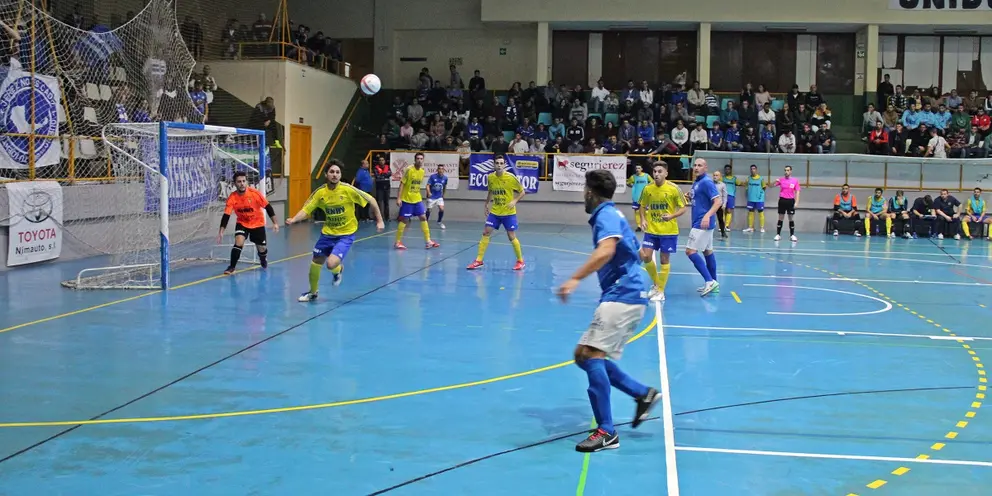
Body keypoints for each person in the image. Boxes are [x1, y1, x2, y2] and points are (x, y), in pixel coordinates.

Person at [556, 168, 661, 453]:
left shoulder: (605, 216)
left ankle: (607, 431)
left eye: (584, 191)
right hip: (626, 291)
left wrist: (575, 278)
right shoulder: (614, 215)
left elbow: (606, 251)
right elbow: (637, 253)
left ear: (590, 192)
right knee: (583, 355)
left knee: (591, 355)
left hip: (624, 293)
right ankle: (643, 394)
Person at [286, 160, 384, 302]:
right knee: (316, 261)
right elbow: (306, 209)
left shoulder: (348, 189)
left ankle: (338, 271)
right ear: (326, 174)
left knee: (331, 264)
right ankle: (313, 293)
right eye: (332, 172)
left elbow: (372, 200)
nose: (335, 175)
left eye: (337, 172)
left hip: (346, 234)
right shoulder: (320, 193)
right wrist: (294, 219)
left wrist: (380, 221)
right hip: (327, 234)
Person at [467, 155, 526, 270]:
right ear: (494, 165)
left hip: (508, 212)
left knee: (511, 236)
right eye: (497, 163)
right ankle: (479, 260)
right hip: (495, 211)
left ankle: (520, 261)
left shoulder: (510, 178)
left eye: (501, 163)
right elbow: (490, 191)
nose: (499, 165)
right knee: (486, 232)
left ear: (504, 165)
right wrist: (486, 204)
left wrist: (514, 200)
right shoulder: (490, 177)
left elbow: (522, 191)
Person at [637, 161, 686, 301]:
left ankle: (661, 291)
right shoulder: (647, 189)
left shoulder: (674, 188)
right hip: (652, 229)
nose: (656, 174)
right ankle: (657, 285)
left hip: (668, 231)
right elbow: (642, 204)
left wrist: (672, 216)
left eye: (660, 171)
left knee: (664, 260)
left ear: (666, 173)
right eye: (654, 171)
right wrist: (643, 219)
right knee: (646, 256)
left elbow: (683, 208)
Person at [218, 171, 279, 275]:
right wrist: (221, 231)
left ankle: (263, 258)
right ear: (235, 184)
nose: (242, 183)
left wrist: (275, 223)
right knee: (239, 242)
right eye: (239, 182)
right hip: (242, 223)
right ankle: (232, 267)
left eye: (243, 181)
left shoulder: (254, 194)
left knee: (262, 248)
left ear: (246, 182)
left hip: (257, 223)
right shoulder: (232, 198)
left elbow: (268, 207)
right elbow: (226, 215)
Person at [686, 158, 721, 296]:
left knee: (690, 251)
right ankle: (714, 282)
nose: (696, 167)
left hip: (702, 223)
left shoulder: (706, 182)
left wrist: (707, 216)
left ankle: (709, 281)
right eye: (694, 165)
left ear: (705, 168)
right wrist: (689, 196)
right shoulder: (697, 182)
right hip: (701, 222)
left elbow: (718, 202)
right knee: (707, 252)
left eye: (699, 165)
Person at [394, 152, 440, 250]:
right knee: (404, 220)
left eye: (421, 158)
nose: (419, 160)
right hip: (407, 199)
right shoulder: (409, 170)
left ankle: (428, 241)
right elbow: (402, 184)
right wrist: (399, 198)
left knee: (423, 217)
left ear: (423, 160)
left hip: (417, 199)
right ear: (415, 160)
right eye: (418, 158)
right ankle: (397, 242)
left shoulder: (422, 171)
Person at [773, 165, 801, 242]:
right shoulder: (781, 180)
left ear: (791, 171)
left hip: (790, 201)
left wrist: (797, 202)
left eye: (788, 170)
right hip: (782, 200)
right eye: (785, 170)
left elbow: (797, 191)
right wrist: (774, 181)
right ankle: (778, 234)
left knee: (791, 218)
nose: (786, 172)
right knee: (780, 218)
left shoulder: (795, 181)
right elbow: (770, 186)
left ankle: (792, 235)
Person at [742, 164, 767, 233]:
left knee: (760, 212)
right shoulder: (748, 178)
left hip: (759, 199)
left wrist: (760, 195)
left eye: (753, 169)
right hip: (751, 199)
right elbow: (746, 187)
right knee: (750, 212)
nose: (752, 170)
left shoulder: (761, 178)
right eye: (751, 169)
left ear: (756, 169)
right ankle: (750, 227)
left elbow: (764, 187)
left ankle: (762, 228)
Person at [627, 164, 650, 232]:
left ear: (642, 169)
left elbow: (652, 182)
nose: (637, 169)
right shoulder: (633, 177)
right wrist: (632, 186)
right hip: (636, 197)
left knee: (646, 211)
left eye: (639, 168)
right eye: (636, 168)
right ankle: (639, 226)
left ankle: (646, 224)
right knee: (637, 211)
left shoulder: (646, 176)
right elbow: (628, 183)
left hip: (645, 197)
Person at [425, 164, 448, 230]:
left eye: (442, 169)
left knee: (442, 209)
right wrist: (429, 192)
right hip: (432, 197)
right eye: (439, 169)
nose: (440, 170)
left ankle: (439, 222)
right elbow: (427, 185)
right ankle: (425, 222)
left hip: (439, 197)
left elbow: (444, 187)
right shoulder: (432, 177)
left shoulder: (445, 178)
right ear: (437, 170)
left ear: (444, 170)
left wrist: (443, 194)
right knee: (429, 210)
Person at [712, 170, 729, 239]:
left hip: (719, 204)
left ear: (720, 177)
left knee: (721, 219)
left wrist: (724, 204)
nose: (715, 177)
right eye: (714, 175)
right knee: (710, 218)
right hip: (711, 204)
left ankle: (723, 232)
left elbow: (725, 195)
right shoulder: (710, 184)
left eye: (717, 175)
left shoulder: (723, 185)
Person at [722, 164, 738, 231]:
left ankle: (727, 226)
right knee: (722, 210)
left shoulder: (734, 178)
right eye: (726, 169)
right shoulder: (722, 178)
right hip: (723, 196)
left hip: (731, 196)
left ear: (730, 170)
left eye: (728, 169)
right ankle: (722, 225)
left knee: (729, 210)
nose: (727, 170)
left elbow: (741, 183)